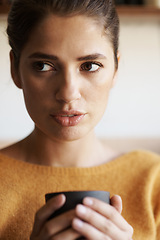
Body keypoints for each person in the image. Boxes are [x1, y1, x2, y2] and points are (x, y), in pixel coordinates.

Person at [0, 0, 160, 239]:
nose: (68, 93)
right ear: (15, 69)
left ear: (115, 69)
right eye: (43, 66)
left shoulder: (152, 182)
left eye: (90, 65)